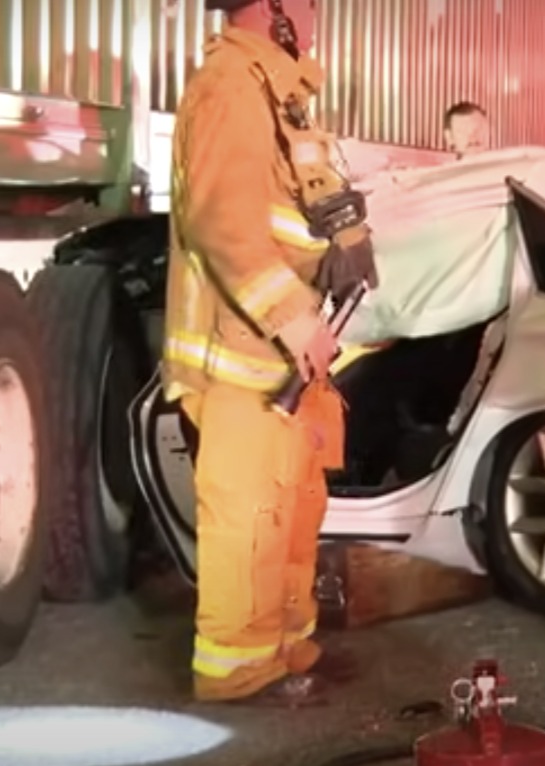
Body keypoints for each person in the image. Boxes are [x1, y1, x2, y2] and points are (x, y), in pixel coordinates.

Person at [166, 0, 374, 705]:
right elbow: (221, 224)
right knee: (249, 521)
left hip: (282, 356)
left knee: (289, 511)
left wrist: (343, 244)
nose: (316, 15)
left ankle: (283, 649)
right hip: (246, 357)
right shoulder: (229, 87)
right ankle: (235, 670)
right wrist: (294, 321)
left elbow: (291, 209)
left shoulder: (274, 91)